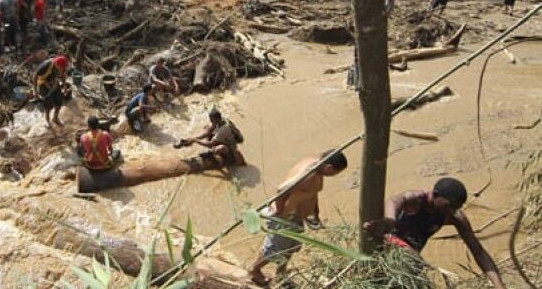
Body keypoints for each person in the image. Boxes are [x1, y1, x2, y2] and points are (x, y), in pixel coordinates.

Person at [363, 178, 506, 289]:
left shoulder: (454, 215)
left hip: (411, 262)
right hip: (390, 247)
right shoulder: (417, 200)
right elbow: (394, 201)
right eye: (448, 206)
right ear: (435, 195)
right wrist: (390, 221)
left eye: (455, 208)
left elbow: (478, 251)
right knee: (414, 261)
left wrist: (498, 285)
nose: (451, 211)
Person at [249, 150, 349, 286]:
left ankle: (281, 272)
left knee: (291, 247)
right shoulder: (309, 175)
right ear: (329, 168)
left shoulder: (316, 165)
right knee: (275, 248)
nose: (336, 175)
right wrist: (279, 211)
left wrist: (315, 212)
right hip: (285, 217)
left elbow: (312, 193)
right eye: (336, 173)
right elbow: (281, 189)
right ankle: (254, 270)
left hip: (296, 218)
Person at [175, 108, 244, 164]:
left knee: (220, 148)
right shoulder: (220, 120)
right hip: (222, 139)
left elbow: (210, 144)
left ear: (216, 118)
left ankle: (212, 153)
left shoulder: (224, 129)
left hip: (229, 147)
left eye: (211, 119)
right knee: (206, 127)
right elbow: (208, 132)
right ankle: (211, 150)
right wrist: (192, 139)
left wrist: (195, 141)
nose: (210, 121)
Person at [33, 55, 69, 126]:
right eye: (60, 68)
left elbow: (63, 75)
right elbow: (34, 76)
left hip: (54, 82)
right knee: (48, 103)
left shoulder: (62, 67)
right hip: (43, 83)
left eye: (62, 68)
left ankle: (55, 118)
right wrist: (35, 91)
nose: (61, 70)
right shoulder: (46, 65)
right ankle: (47, 120)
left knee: (59, 101)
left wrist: (64, 86)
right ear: (56, 64)